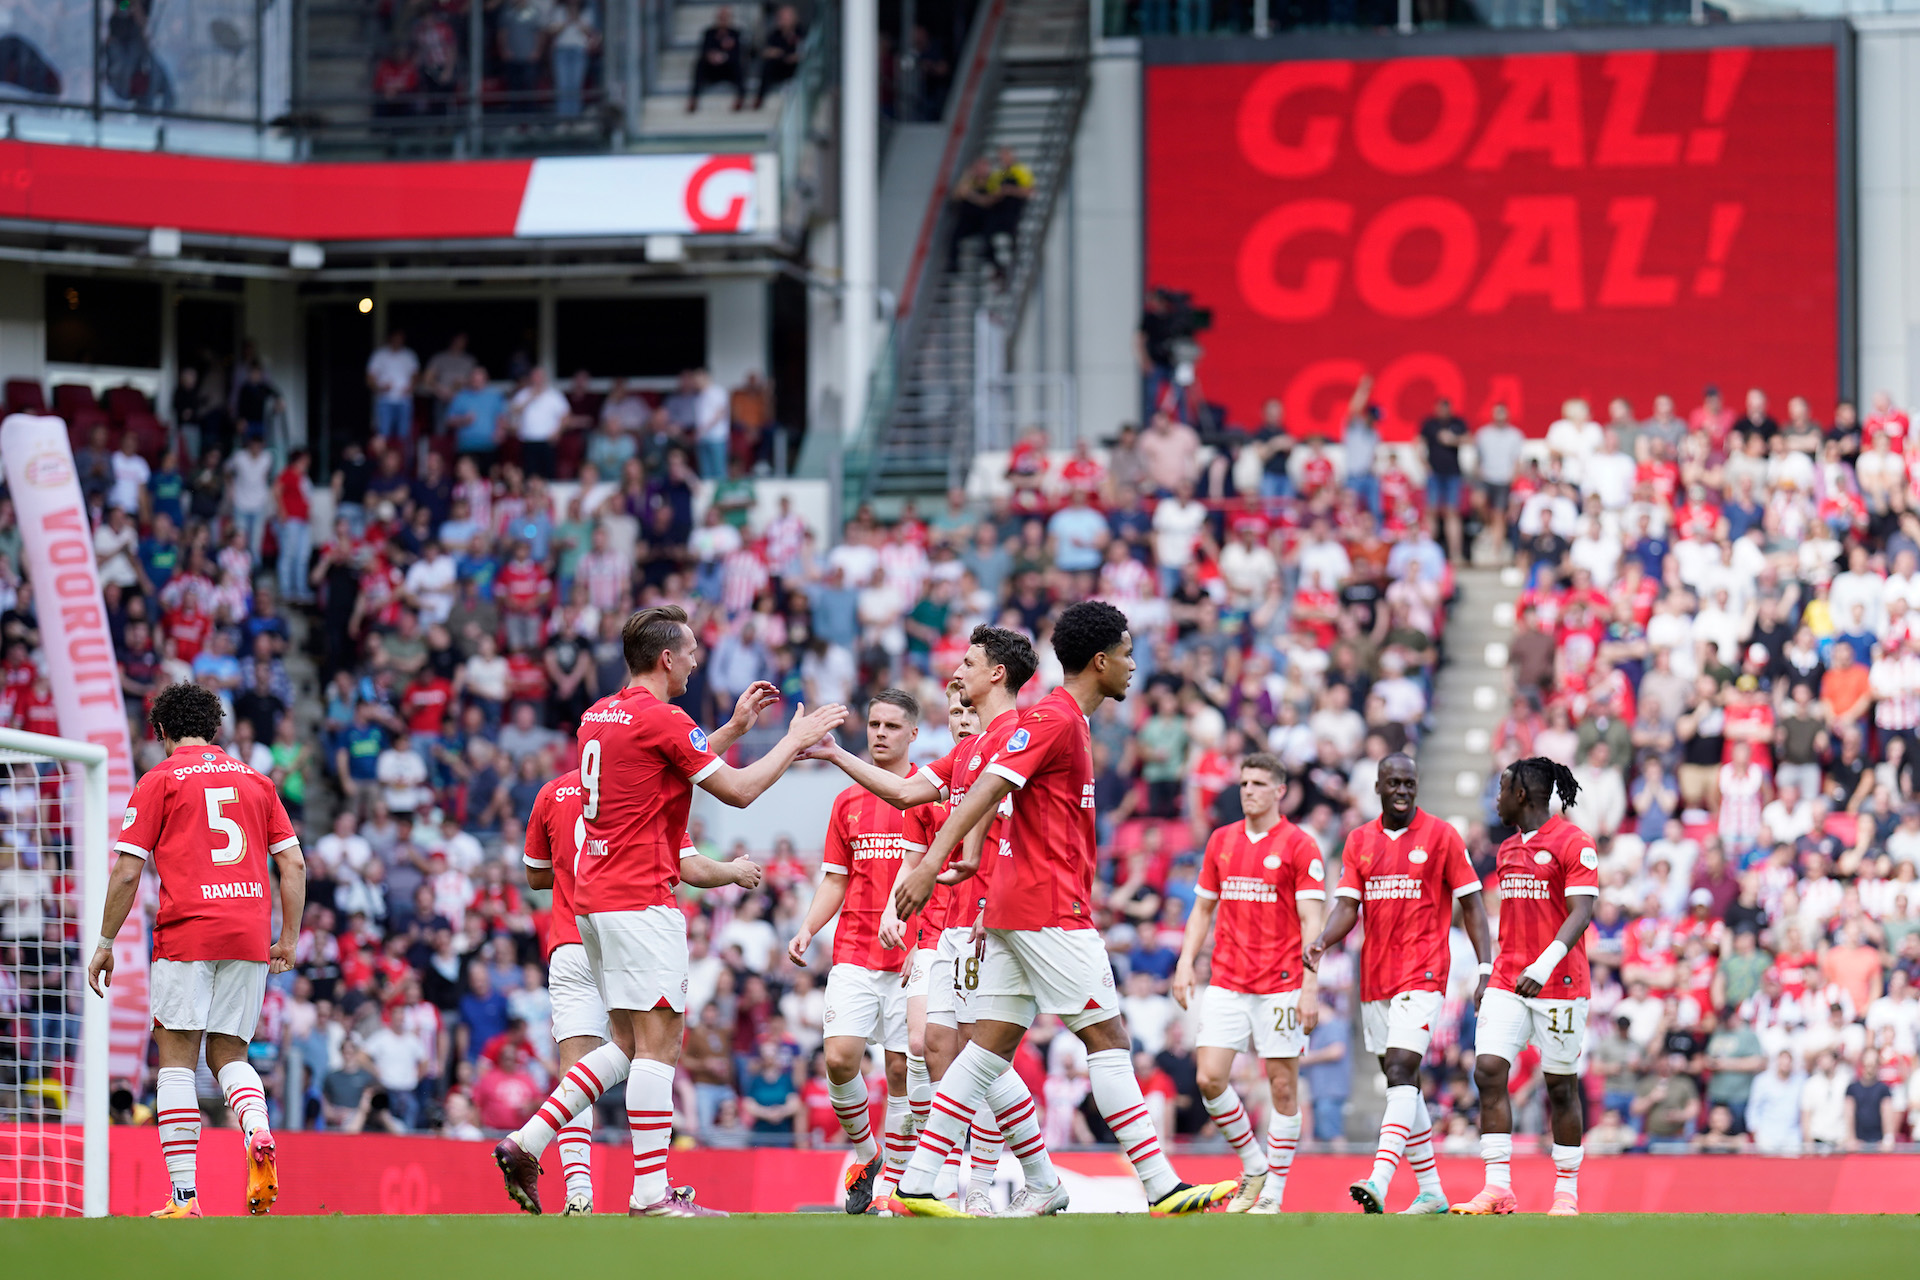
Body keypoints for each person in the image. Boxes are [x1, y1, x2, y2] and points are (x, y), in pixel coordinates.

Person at [491, 606, 843, 1217]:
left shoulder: (598, 715)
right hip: (640, 896)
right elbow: (736, 791)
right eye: (691, 652)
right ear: (666, 659)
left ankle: (529, 1139)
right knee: (661, 1046)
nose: (698, 661)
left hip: (593, 905)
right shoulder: (663, 719)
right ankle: (651, 1195)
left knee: (627, 1046)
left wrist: (730, 729)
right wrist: (792, 739)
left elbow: (669, 761)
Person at [886, 601, 1234, 1217]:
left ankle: (917, 1181)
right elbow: (989, 787)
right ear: (1100, 661)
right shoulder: (1053, 717)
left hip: (1014, 909)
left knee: (986, 1052)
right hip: (1047, 908)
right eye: (1126, 654)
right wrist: (930, 863)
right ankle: (1161, 1187)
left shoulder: (1064, 718)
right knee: (1108, 1038)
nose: (1133, 665)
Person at [805, 630, 1059, 1214]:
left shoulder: (1016, 740)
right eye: (954, 709)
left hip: (999, 919)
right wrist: (838, 754)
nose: (961, 713)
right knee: (940, 1048)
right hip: (941, 931)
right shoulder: (961, 761)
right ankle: (928, 1180)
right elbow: (916, 844)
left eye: (967, 673)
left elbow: (998, 835)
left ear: (993, 679)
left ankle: (955, 1183)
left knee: (965, 1050)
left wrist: (980, 888)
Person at [87, 682, 307, 1218]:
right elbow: (295, 864)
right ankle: (256, 1128)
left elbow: (127, 871)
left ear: (162, 733)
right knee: (230, 1054)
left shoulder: (159, 778)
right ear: (215, 730)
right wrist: (288, 939)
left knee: (178, 1059)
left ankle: (184, 1197)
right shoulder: (257, 782)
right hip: (249, 933)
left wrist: (105, 942)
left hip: (188, 933)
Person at [1305, 753, 1492, 1215]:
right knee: (1400, 1082)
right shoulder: (1359, 841)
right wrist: (1321, 942)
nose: (1403, 791)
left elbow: (1473, 906)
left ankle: (1380, 1178)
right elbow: (1348, 908)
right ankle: (1431, 1191)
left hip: (1425, 972)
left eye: (1410, 783)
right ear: (1378, 788)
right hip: (1375, 979)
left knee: (1403, 1069)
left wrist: (1487, 969)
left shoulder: (1443, 836)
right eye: (1395, 783)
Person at [1170, 753, 1326, 1214]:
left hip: (1280, 984)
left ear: (1280, 791)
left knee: (1282, 1087)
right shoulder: (1221, 840)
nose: (1248, 791)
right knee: (1209, 1078)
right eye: (1243, 783)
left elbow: (1311, 920)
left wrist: (1310, 986)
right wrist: (1184, 962)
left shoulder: (1300, 845)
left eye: (1258, 783)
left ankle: (1273, 1192)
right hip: (1227, 980)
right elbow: (1202, 910)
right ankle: (1255, 1167)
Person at [785, 691, 919, 1213]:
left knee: (903, 1071)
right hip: (854, 952)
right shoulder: (846, 801)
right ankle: (868, 1155)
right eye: (874, 723)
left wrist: (923, 937)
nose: (880, 733)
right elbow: (835, 880)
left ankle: (901, 1185)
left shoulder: (925, 791)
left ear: (912, 734)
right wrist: (808, 928)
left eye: (892, 726)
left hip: (910, 956)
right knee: (839, 1060)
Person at [1451, 758, 1600, 1217]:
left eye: (1500, 789)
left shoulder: (1575, 842)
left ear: (1522, 795)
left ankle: (1566, 1192)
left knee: (1560, 1087)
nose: (1495, 799)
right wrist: (1486, 974)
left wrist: (1544, 964)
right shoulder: (1506, 850)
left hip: (1559, 982)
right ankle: (1498, 1187)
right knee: (1488, 1070)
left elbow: (1581, 912)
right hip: (1508, 978)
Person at [366, 329, 419, 447]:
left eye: (400, 338)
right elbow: (370, 378)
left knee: (404, 436)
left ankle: (404, 463)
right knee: (383, 434)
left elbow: (416, 375)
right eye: (395, 338)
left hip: (404, 400)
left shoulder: (409, 355)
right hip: (385, 400)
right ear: (390, 338)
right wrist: (380, 387)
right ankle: (383, 464)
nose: (397, 341)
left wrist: (411, 387)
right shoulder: (380, 355)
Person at [688, 6, 747, 112]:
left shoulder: (736, 33)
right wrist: (713, 57)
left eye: (725, 17)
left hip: (729, 69)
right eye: (721, 17)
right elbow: (704, 51)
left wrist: (724, 57)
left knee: (738, 65)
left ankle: (741, 97)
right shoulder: (709, 33)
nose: (723, 20)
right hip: (713, 69)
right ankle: (693, 99)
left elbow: (738, 54)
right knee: (700, 64)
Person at [754, 4, 803, 109]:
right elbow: (766, 51)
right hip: (779, 66)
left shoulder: (801, 33)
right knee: (768, 65)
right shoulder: (775, 35)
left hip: (795, 67)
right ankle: (759, 98)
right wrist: (775, 53)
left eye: (785, 17)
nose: (782, 20)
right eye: (781, 17)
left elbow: (804, 52)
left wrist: (793, 56)